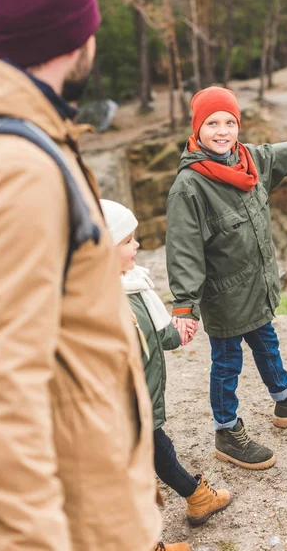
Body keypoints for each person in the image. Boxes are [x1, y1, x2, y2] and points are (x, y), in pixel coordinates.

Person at [0, 0, 161, 550]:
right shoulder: (19, 169)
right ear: (71, 36)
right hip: (78, 518)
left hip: (92, 491)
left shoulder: (35, 136)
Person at [166, 86, 287, 470]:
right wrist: (184, 306)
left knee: (268, 344)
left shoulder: (249, 161)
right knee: (227, 362)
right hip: (224, 297)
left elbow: (282, 153)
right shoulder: (190, 187)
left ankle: (286, 400)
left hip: (256, 287)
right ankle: (227, 431)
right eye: (212, 123)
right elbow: (183, 249)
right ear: (197, 129)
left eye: (229, 122)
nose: (222, 131)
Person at [100, 200, 232, 549]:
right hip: (124, 409)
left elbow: (156, 334)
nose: (138, 245)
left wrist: (179, 333)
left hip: (142, 401)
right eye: (128, 240)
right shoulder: (99, 299)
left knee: (160, 454)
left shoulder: (131, 283)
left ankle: (195, 497)